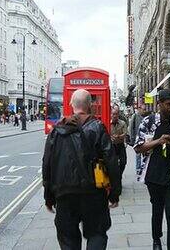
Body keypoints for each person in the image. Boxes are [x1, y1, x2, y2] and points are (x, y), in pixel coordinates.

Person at [43, 89, 121, 250]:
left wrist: (48, 196)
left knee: (68, 239)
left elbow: (47, 165)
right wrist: (114, 193)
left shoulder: (56, 130)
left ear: (71, 104)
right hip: (93, 193)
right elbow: (111, 162)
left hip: (64, 194)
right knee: (96, 233)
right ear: (90, 106)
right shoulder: (98, 127)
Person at [135, 89, 170, 250]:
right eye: (168, 104)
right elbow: (138, 148)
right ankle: (156, 241)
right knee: (157, 211)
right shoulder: (148, 122)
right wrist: (159, 141)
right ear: (160, 104)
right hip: (154, 175)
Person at [128, 103, 147, 176]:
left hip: (144, 138)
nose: (144, 111)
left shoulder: (145, 117)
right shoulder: (135, 116)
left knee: (145, 154)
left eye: (145, 109)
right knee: (138, 154)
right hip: (137, 138)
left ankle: (144, 168)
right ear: (139, 109)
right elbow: (131, 128)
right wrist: (131, 138)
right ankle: (138, 169)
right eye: (143, 109)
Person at [110, 107, 128, 175]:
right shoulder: (107, 122)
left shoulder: (122, 123)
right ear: (111, 114)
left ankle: (119, 175)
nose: (115, 116)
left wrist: (119, 136)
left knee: (123, 162)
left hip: (120, 145)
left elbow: (125, 133)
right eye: (113, 114)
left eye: (116, 114)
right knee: (112, 163)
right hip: (111, 146)